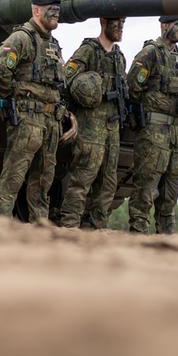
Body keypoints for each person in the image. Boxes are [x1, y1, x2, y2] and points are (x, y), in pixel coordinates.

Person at [0, 0, 66, 222]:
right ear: (36, 11)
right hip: (28, 119)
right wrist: (15, 95)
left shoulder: (53, 44)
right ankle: (1, 223)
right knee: (13, 175)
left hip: (50, 122)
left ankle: (39, 225)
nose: (55, 15)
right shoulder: (22, 38)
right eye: (50, 10)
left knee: (43, 179)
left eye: (57, 12)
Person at [126, 15, 178, 235]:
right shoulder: (150, 53)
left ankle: (166, 238)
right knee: (146, 187)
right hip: (153, 131)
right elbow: (132, 89)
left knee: (172, 187)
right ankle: (138, 235)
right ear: (164, 25)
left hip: (176, 131)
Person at [59, 17, 128, 229]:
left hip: (112, 127)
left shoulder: (119, 57)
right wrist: (67, 113)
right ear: (104, 22)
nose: (121, 26)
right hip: (90, 126)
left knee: (108, 182)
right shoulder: (88, 50)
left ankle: (98, 225)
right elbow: (66, 78)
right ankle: (70, 223)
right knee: (82, 177)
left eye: (124, 22)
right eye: (117, 22)